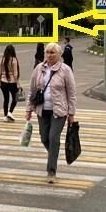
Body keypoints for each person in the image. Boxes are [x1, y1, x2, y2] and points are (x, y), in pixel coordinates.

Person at [25, 42, 77, 184]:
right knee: (44, 138)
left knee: (53, 138)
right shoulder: (39, 68)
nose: (49, 55)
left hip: (59, 111)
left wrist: (71, 114)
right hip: (42, 109)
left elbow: (71, 94)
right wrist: (29, 109)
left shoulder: (65, 70)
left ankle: (51, 171)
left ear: (59, 54)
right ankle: (53, 154)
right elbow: (32, 90)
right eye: (47, 52)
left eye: (52, 52)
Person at [0, 45, 20, 122]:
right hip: (12, 82)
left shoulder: (2, 59)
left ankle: (5, 115)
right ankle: (10, 112)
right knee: (15, 98)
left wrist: (0, 81)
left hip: (3, 81)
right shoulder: (14, 60)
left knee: (6, 99)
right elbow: (15, 74)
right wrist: (18, 83)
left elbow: (0, 72)